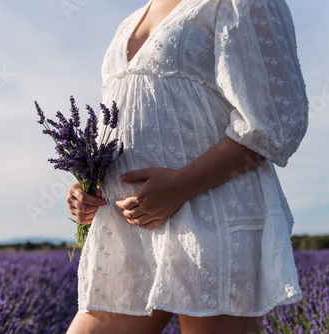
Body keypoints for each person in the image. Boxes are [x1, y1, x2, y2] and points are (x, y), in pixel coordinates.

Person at [66, 0, 308, 332]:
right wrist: (90, 183)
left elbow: (273, 121)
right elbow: (125, 118)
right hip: (126, 231)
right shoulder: (129, 21)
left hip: (209, 218)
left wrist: (179, 186)